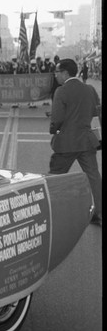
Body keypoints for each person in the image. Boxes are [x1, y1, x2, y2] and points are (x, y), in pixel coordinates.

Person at [49, 58, 102, 225]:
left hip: (67, 143)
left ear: (65, 73)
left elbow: (57, 118)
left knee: (55, 177)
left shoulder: (61, 91)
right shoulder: (90, 89)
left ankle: (51, 212)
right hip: (87, 141)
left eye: (57, 72)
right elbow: (96, 114)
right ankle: (98, 213)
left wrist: (53, 129)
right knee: (94, 176)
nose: (55, 75)